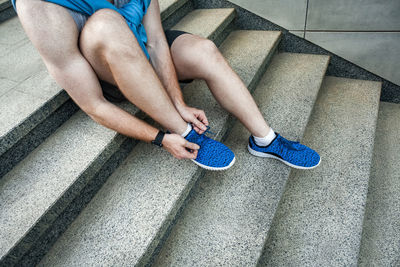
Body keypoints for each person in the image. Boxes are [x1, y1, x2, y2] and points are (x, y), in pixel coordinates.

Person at [10, 0, 321, 170]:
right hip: (110, 74)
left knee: (204, 51)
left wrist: (178, 100)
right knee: (106, 20)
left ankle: (265, 140)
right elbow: (94, 105)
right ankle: (185, 134)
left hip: (143, 51)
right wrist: (161, 137)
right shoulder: (38, 6)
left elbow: (158, 44)